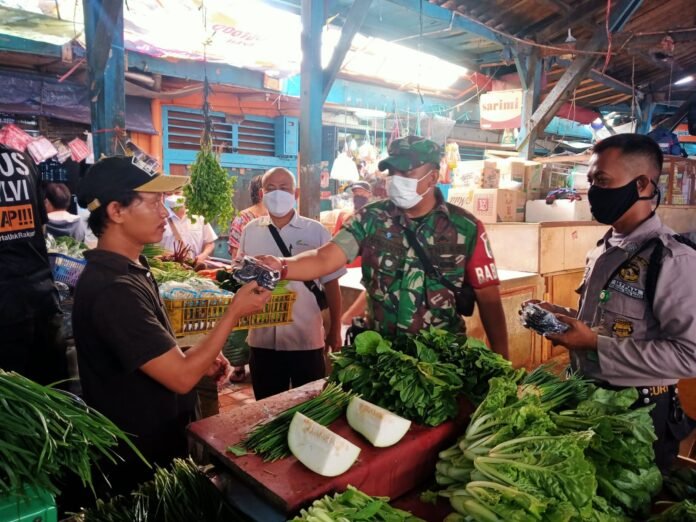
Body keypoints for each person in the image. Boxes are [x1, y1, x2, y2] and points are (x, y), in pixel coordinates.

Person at [72, 156, 271, 493]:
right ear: (116, 211)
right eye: (153, 202)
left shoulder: (133, 267)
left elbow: (149, 351)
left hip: (160, 438)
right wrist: (233, 312)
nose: (164, 213)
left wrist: (195, 353)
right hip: (138, 456)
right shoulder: (113, 289)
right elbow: (181, 377)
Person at [522, 133, 696, 471]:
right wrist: (561, 317)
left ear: (641, 184)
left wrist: (594, 344)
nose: (593, 192)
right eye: (590, 181)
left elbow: (689, 356)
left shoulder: (672, 259)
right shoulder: (603, 250)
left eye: (602, 181)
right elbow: (608, 324)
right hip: (586, 401)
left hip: (637, 419)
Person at [258, 136, 509, 358]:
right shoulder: (371, 219)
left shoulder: (466, 228)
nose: (397, 180)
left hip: (443, 364)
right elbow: (324, 258)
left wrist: (503, 362)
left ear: (433, 177)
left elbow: (489, 300)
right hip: (382, 357)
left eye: (406, 173)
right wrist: (281, 265)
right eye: (393, 173)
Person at [237, 167, 345, 400]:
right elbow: (240, 276)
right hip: (262, 338)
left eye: (284, 188)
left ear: (295, 193)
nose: (277, 193)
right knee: (266, 406)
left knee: (307, 404)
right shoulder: (250, 231)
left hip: (305, 338)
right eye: (271, 188)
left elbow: (331, 284)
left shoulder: (316, 231)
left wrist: (335, 328)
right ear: (262, 194)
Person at [0, 144, 69, 385]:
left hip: (5, 312)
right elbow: (40, 226)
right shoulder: (21, 160)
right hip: (42, 297)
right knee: (54, 393)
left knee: (14, 401)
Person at [159, 192, 217, 266]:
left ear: (184, 193)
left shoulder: (198, 218)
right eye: (169, 194)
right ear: (163, 196)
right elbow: (151, 247)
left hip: (193, 267)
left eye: (177, 192)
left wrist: (203, 255)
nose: (173, 196)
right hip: (167, 267)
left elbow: (210, 242)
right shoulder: (160, 219)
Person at [228, 175, 267, 259]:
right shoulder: (242, 218)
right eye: (271, 188)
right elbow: (236, 257)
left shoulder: (278, 218)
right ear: (261, 192)